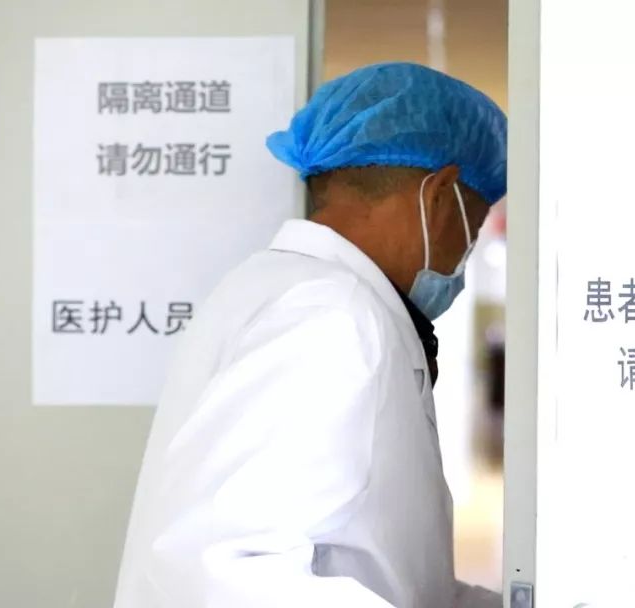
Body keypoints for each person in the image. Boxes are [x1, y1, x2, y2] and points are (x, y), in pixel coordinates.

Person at [112, 62, 507, 608]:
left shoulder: (292, 291)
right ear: (438, 196)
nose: (465, 252)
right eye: (474, 224)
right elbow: (225, 572)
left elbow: (396, 575)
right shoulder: (330, 314)